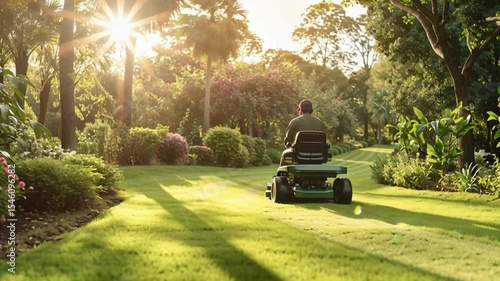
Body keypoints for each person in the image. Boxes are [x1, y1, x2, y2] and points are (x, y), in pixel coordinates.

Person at [280, 99, 324, 166]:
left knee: (284, 154)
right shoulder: (319, 122)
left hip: (299, 156)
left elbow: (288, 141)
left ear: (300, 109)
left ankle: (280, 175)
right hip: (317, 155)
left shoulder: (295, 122)